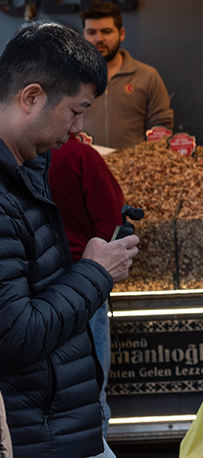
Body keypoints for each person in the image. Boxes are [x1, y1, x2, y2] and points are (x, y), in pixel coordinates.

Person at [0, 22, 139, 458]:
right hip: (27, 451)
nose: (80, 129)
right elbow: (16, 332)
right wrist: (96, 272)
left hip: (43, 437)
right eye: (76, 111)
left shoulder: (27, 170)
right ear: (31, 97)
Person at [48, 138, 128, 437]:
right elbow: (113, 225)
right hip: (84, 282)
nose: (79, 125)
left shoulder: (15, 157)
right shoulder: (80, 155)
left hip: (29, 289)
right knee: (90, 391)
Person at [80, 1, 174, 149]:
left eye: (106, 31)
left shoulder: (147, 76)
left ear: (121, 33)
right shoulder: (72, 79)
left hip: (132, 167)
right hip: (84, 166)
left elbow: (161, 125)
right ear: (83, 35)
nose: (99, 39)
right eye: (91, 32)